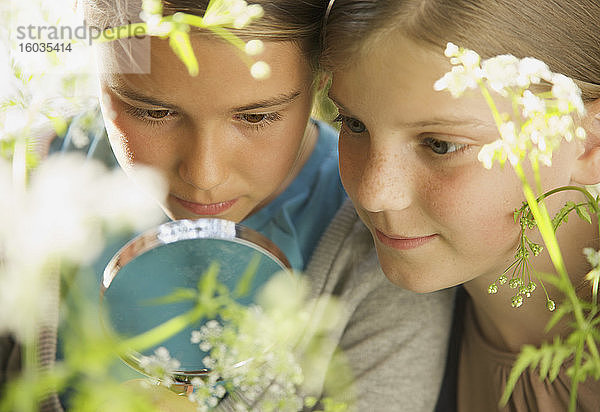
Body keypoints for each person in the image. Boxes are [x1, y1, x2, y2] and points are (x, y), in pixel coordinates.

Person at [0, 1, 455, 411]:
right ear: (98, 71)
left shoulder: (378, 258)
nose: (204, 174)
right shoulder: (25, 180)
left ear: (321, 82)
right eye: (154, 112)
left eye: (256, 117)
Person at [321, 0, 600, 411]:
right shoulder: (364, 303)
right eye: (353, 123)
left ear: (589, 142)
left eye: (441, 145)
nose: (373, 192)